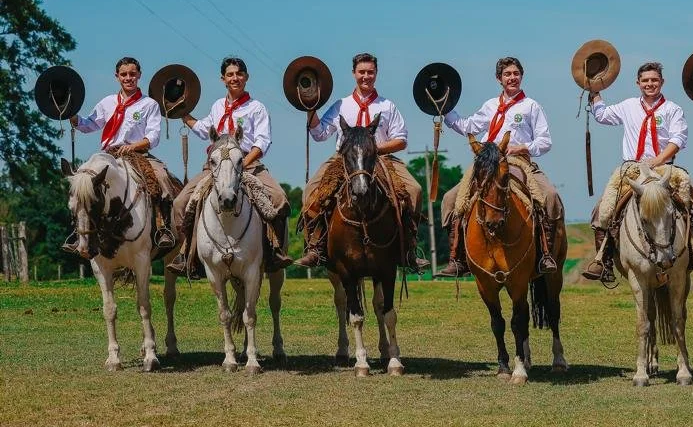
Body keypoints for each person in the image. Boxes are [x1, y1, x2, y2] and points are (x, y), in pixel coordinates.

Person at [294, 53, 425, 271]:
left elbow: (401, 140)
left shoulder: (387, 106)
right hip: (343, 159)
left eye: (370, 72)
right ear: (354, 73)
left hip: (382, 159)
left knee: (414, 189)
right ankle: (315, 247)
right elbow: (319, 134)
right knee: (311, 191)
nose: (366, 76)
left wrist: (372, 149)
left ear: (376, 74)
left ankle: (409, 248)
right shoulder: (341, 105)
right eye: (362, 72)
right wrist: (310, 107)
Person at [581, 61, 693, 284]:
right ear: (638, 83)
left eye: (654, 80)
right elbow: (603, 115)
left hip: (665, 167)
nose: (650, 84)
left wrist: (658, 160)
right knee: (604, 207)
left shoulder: (672, 109)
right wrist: (595, 91)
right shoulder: (628, 105)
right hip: (632, 168)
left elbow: (678, 139)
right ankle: (604, 259)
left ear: (662, 82)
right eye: (645, 81)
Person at [437, 56, 562, 277]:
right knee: (450, 199)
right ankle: (457, 258)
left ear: (521, 76)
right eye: (507, 74)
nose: (512, 78)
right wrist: (445, 110)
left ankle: (545, 254)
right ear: (499, 79)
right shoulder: (490, 105)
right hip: (486, 163)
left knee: (550, 195)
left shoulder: (531, 106)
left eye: (516, 74)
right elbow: (469, 126)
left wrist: (522, 147)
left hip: (517, 161)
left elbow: (545, 141)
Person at [167, 57, 292, 273]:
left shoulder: (257, 107)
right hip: (215, 167)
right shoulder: (217, 106)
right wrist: (181, 113)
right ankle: (187, 253)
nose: (235, 78)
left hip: (248, 163)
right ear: (223, 79)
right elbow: (203, 128)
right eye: (230, 74)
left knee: (279, 198)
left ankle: (274, 252)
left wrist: (242, 163)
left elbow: (262, 141)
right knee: (180, 203)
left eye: (239, 74)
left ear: (246, 77)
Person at [65, 56, 178, 254]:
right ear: (117, 76)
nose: (128, 78)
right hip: (109, 154)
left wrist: (134, 146)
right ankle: (78, 232)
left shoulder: (149, 104)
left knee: (161, 177)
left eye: (132, 74)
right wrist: (72, 116)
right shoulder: (107, 102)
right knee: (80, 180)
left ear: (139, 75)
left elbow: (153, 136)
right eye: (124, 74)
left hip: (138, 154)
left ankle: (163, 228)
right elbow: (88, 124)